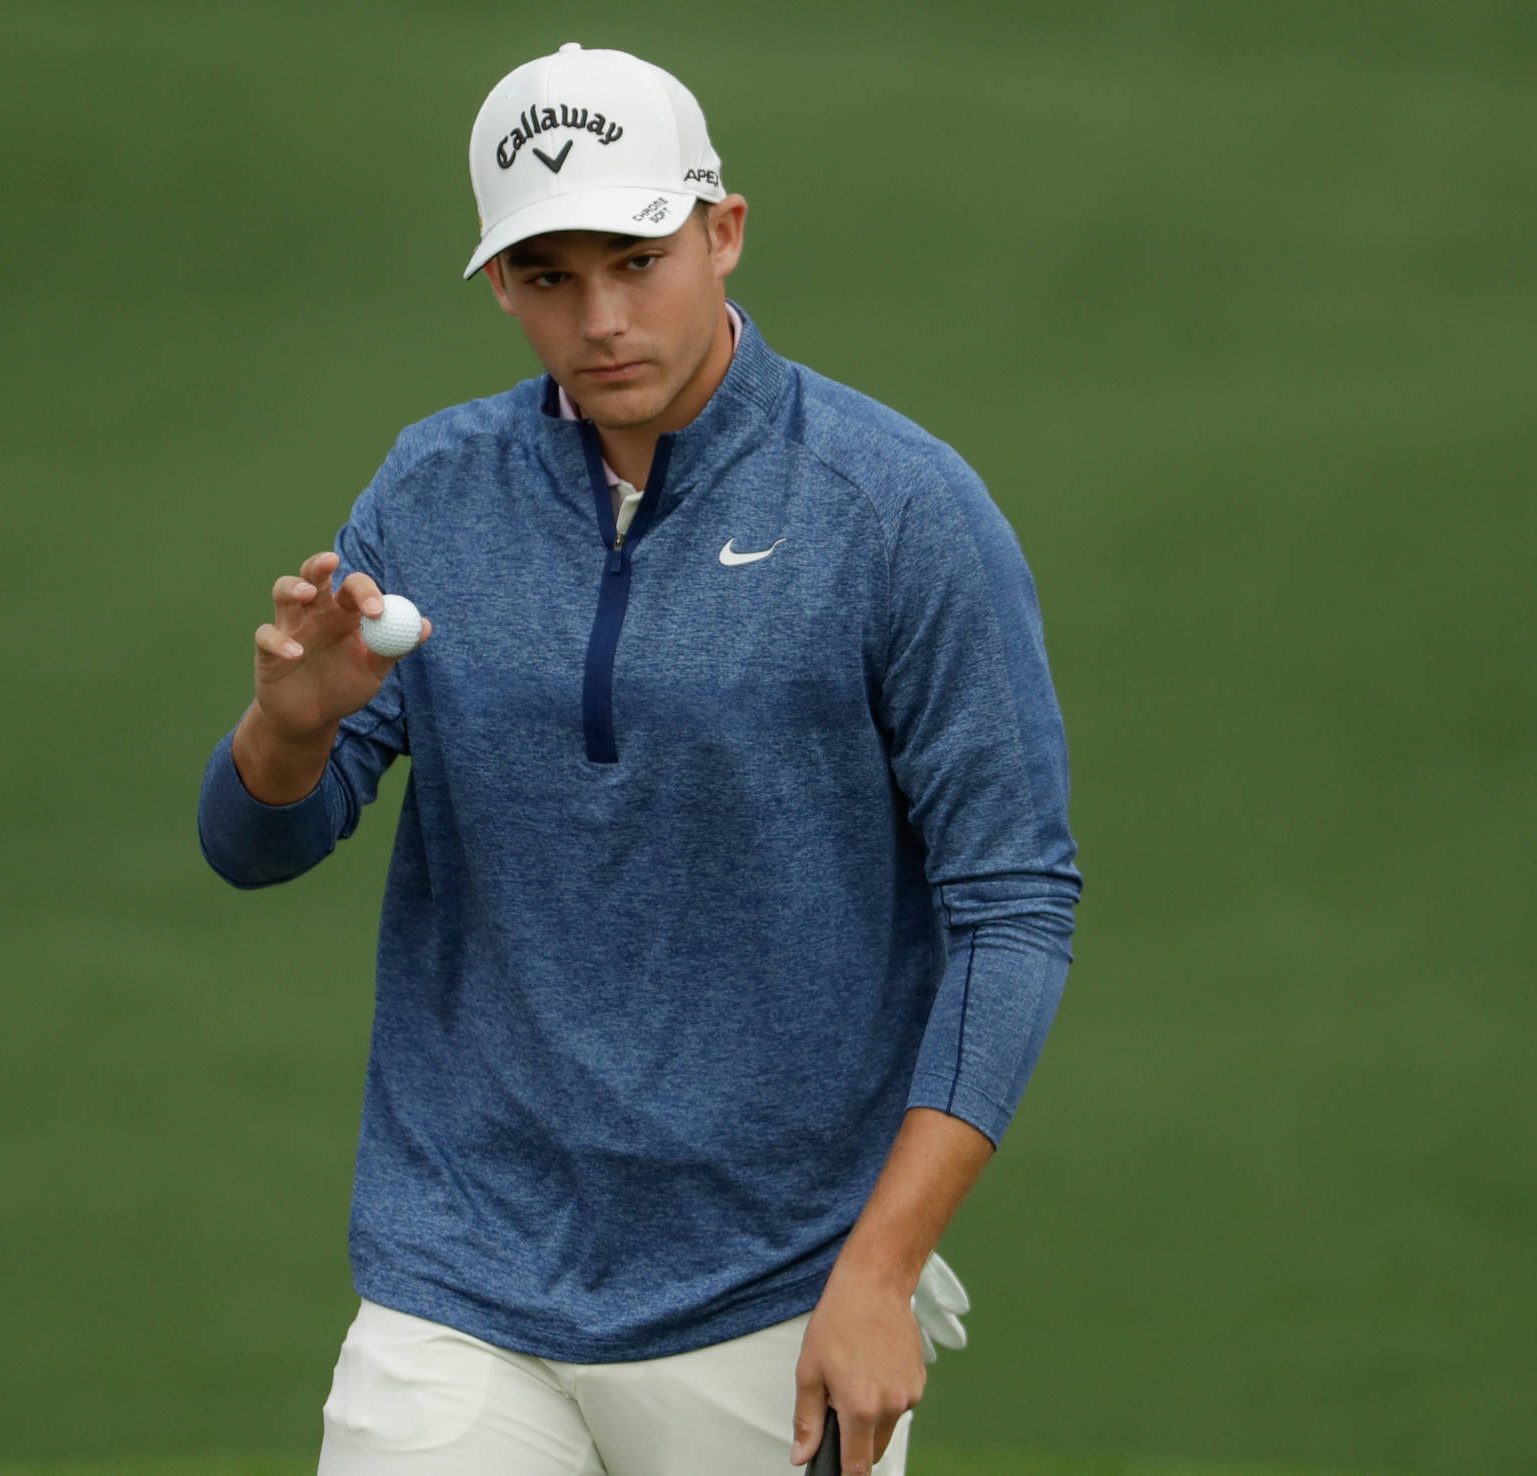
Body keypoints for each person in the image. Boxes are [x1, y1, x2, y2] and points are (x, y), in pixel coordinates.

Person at [196, 41, 1081, 1476]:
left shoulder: (900, 511)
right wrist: (289, 728)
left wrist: (880, 1269)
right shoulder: (432, 491)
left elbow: (1015, 902)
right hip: (463, 1275)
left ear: (722, 232)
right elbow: (254, 842)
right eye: (551, 277)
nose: (601, 318)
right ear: (500, 283)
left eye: (639, 260)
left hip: (776, 1296)